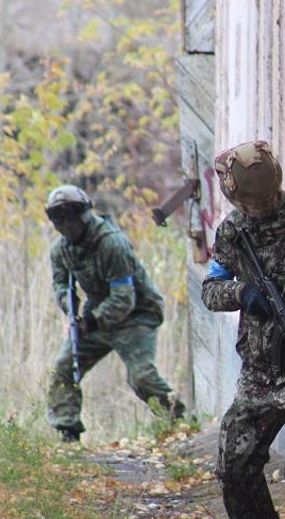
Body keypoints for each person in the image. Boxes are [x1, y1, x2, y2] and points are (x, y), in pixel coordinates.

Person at [200, 140, 285, 519]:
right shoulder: (233, 231)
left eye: (264, 201)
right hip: (259, 373)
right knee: (234, 465)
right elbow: (210, 290)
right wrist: (241, 293)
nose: (258, 209)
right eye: (250, 204)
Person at [45, 184, 184, 443]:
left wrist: (90, 322)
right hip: (97, 316)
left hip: (137, 314)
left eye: (70, 215)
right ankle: (68, 433)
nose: (66, 224)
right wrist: (69, 306)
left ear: (83, 213)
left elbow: (124, 298)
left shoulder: (111, 243)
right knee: (63, 367)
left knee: (141, 377)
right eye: (59, 218)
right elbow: (60, 285)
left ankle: (178, 421)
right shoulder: (60, 251)